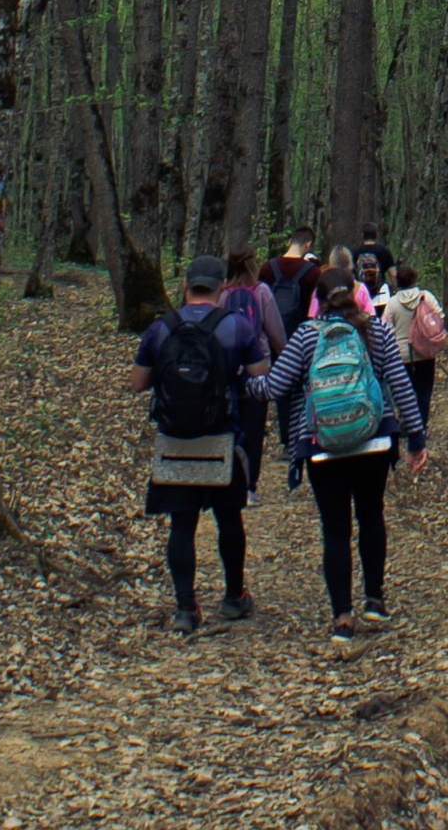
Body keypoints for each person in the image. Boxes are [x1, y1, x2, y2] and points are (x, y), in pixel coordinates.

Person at [252, 264, 428, 645]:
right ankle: (375, 600)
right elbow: (399, 383)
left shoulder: (305, 336)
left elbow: (274, 387)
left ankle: (342, 618)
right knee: (371, 516)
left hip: (321, 445)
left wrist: (243, 383)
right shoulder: (376, 331)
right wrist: (415, 436)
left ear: (316, 299)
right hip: (374, 442)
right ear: (354, 292)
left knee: (335, 530)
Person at [131, 253, 268, 635]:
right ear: (222, 286)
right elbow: (260, 375)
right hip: (222, 435)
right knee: (229, 518)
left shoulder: (160, 328)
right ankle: (233, 597)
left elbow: (137, 383)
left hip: (174, 436)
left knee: (182, 523)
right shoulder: (236, 327)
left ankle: (185, 607)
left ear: (186, 285)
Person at [225, 248, 284, 501]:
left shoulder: (222, 293)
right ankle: (249, 487)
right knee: (254, 429)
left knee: (228, 426)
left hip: (227, 369)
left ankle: (228, 481)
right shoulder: (262, 292)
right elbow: (276, 333)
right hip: (257, 368)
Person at [381, 264, 448, 427]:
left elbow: (386, 328)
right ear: (413, 279)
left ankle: (408, 422)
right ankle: (422, 425)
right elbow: (439, 317)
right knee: (424, 391)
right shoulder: (426, 297)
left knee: (405, 392)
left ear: (397, 281)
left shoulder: (392, 303)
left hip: (401, 355)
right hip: (425, 352)